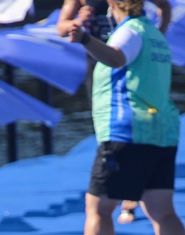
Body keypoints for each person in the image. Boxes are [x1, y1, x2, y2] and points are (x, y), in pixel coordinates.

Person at [67, 0, 185, 235]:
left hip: (127, 132)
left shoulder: (129, 31)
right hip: (162, 132)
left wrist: (86, 39)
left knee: (99, 209)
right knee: (162, 211)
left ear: (112, 4)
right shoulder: (155, 33)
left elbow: (116, 57)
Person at [57, 0, 172, 223]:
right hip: (99, 60)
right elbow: (62, 26)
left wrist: (159, 34)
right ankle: (126, 185)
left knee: (127, 129)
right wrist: (78, 23)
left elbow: (164, 5)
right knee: (106, 126)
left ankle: (130, 194)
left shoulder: (133, 25)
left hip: (127, 58)